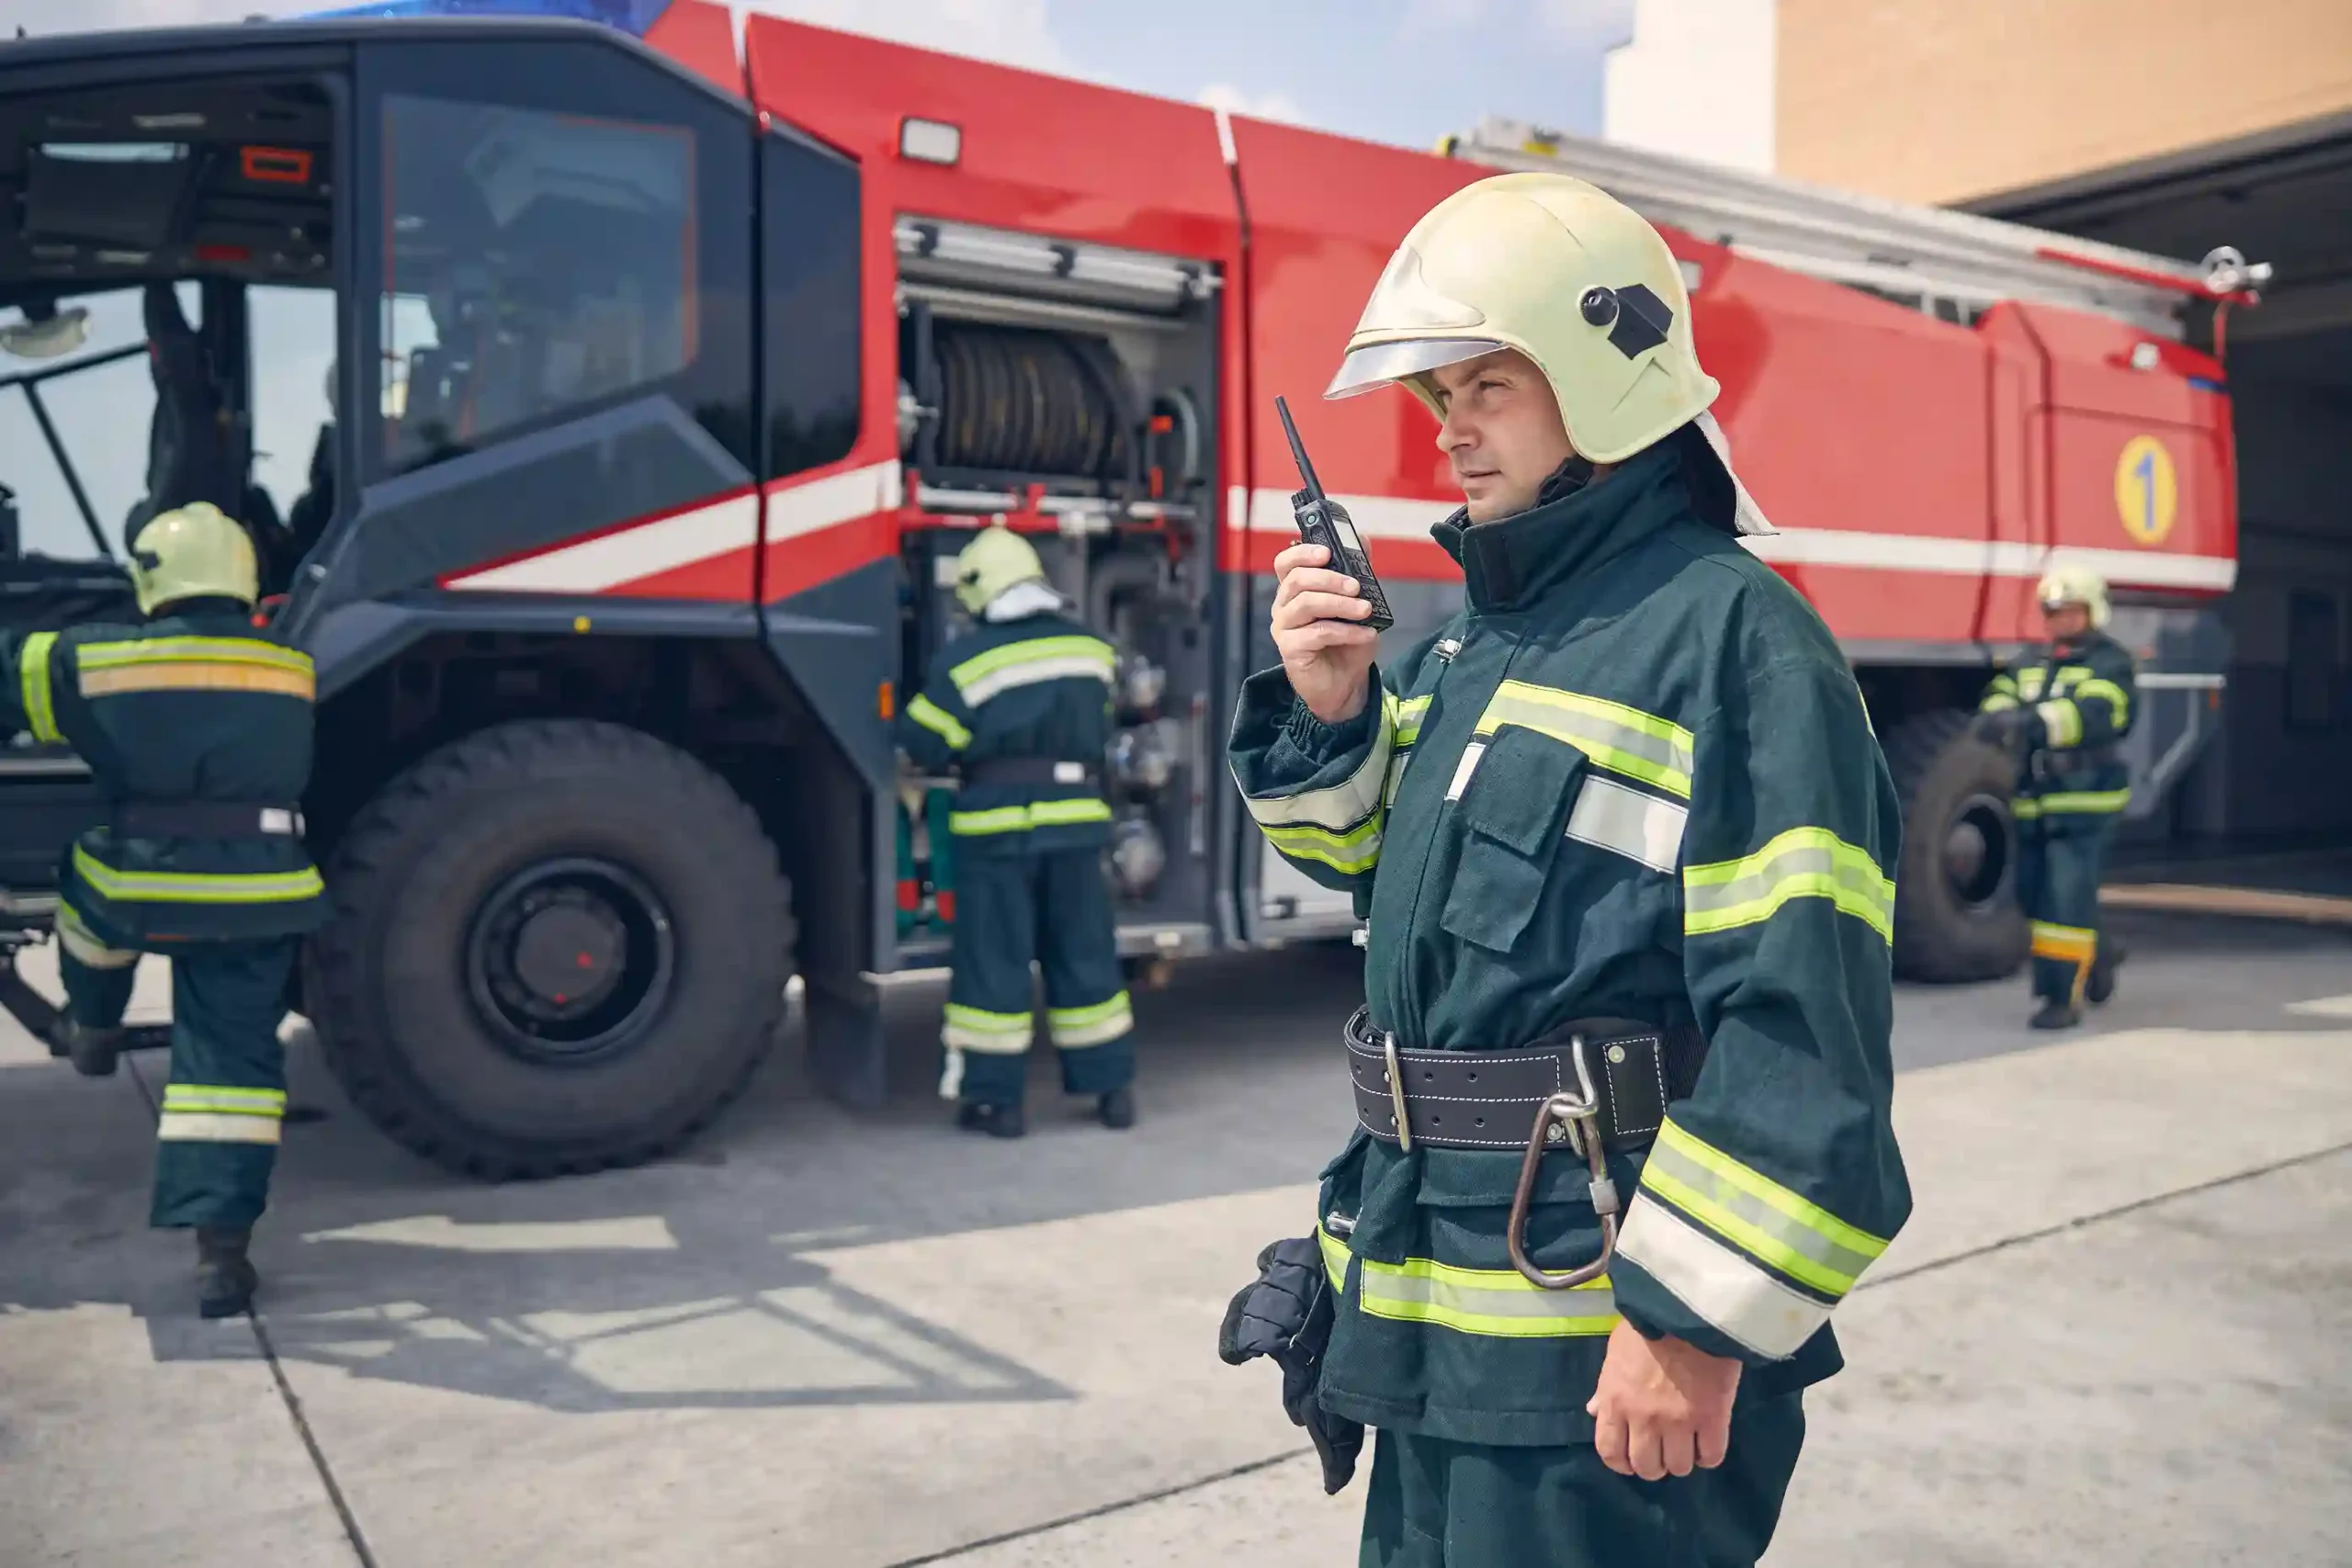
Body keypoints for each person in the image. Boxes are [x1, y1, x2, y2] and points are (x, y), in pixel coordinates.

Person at [1220, 172, 1913, 1566]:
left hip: (1591, 1359)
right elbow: (1366, 869)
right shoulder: (1490, 642)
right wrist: (1337, 701)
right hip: (1431, 1319)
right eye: (1441, 396)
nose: (1452, 428)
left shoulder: (1734, 642)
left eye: (1490, 384)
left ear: (1606, 379)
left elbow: (1803, 1033)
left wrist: (1691, 1326)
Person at [0, 502, 330, 1318]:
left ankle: (94, 1024)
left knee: (85, 889)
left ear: (151, 580)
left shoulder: (92, 659)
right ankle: (222, 1257)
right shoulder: (289, 664)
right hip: (263, 891)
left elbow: (11, 677)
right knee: (233, 1073)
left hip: (139, 887)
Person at [896, 525, 1136, 1139]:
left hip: (996, 833)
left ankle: (996, 1102)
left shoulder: (965, 661)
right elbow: (1106, 724)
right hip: (1078, 826)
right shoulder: (1094, 650)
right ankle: (1111, 1089)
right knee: (1085, 957)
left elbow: (923, 742)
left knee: (994, 966)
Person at [1973, 566, 2137, 1029]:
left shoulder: (2110, 663)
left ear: (2091, 611)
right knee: (2032, 893)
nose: (2059, 620)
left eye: (2069, 611)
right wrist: (1996, 716)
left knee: (2064, 900)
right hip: (2036, 797)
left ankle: (2060, 998)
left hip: (2086, 800)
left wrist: (2035, 723)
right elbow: (2002, 693)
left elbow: (2103, 713)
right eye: (2052, 612)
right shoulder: (2034, 659)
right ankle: (2100, 953)